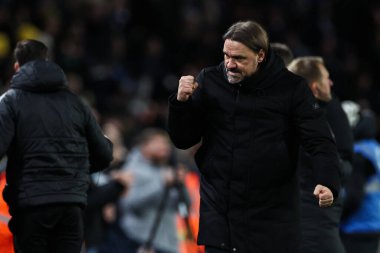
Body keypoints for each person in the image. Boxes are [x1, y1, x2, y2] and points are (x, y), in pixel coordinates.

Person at [167, 20, 341, 253]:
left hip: (272, 219)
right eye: (226, 55)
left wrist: (327, 181)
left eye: (239, 58)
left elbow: (319, 140)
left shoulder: (291, 88)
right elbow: (183, 139)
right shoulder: (210, 80)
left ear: (260, 55)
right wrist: (181, 104)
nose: (229, 64)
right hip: (221, 216)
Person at [0, 39, 113, 253]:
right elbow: (104, 154)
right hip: (71, 206)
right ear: (47, 62)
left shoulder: (11, 101)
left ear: (17, 67)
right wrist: (73, 168)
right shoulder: (76, 102)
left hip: (31, 206)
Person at [288, 56, 354, 253]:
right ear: (315, 88)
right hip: (314, 219)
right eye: (326, 78)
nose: (331, 83)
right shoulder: (322, 118)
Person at [101, 128, 185, 253]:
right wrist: (162, 184)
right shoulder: (133, 169)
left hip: (169, 241)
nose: (164, 146)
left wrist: (181, 184)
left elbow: (183, 205)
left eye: (166, 143)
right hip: (140, 240)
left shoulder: (167, 169)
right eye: (158, 142)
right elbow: (130, 204)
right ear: (144, 146)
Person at [340, 101, 380, 253]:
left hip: (356, 226)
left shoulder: (359, 155)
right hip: (373, 222)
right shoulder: (374, 148)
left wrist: (336, 216)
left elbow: (354, 197)